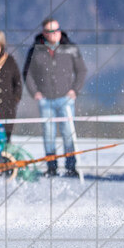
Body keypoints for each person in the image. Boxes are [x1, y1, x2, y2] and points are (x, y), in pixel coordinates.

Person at [23, 17, 87, 177]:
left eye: (56, 30)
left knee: (68, 133)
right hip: (45, 100)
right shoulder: (35, 49)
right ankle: (51, 167)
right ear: (44, 33)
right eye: (50, 31)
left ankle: (71, 167)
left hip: (65, 99)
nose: (54, 34)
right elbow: (28, 73)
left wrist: (74, 90)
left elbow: (82, 71)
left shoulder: (70, 48)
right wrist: (35, 92)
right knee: (49, 134)